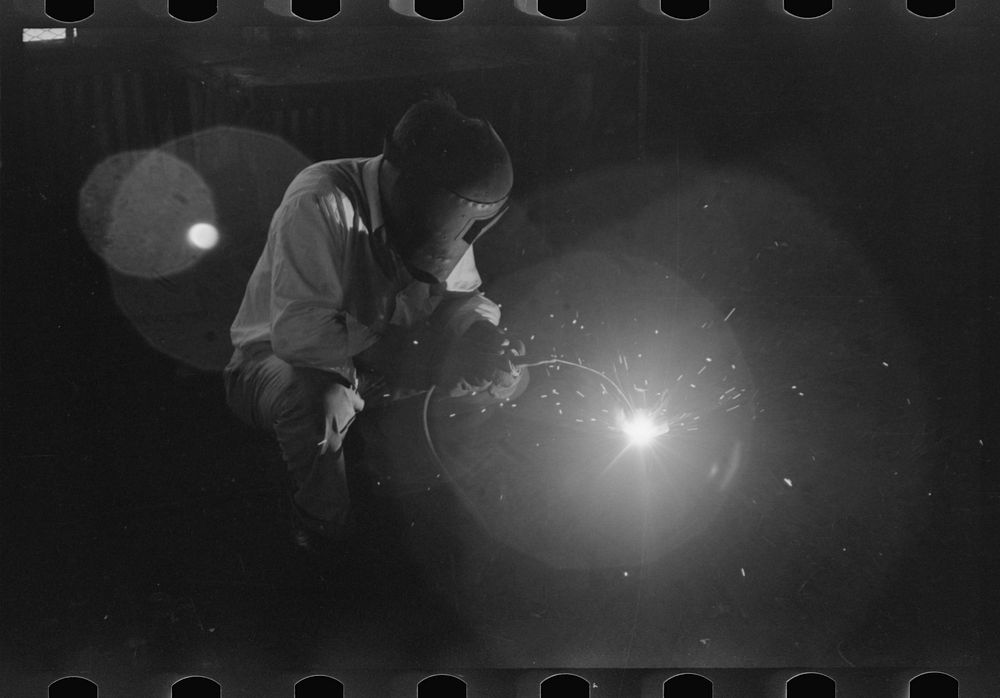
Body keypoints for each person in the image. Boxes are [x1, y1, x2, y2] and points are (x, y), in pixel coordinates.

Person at [223, 94, 529, 550]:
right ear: (408, 183)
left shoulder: (448, 216)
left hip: (376, 370)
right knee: (322, 403)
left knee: (507, 379)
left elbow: (461, 296)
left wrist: (480, 336)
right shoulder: (321, 197)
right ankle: (323, 533)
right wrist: (432, 357)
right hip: (273, 363)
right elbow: (301, 335)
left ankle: (455, 513)